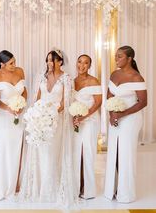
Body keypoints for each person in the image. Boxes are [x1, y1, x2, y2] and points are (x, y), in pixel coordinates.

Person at [18, 50, 74, 205]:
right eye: (48, 60)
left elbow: (66, 101)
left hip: (56, 120)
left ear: (60, 62)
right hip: (40, 119)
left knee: (52, 153)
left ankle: (52, 188)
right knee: (41, 152)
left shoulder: (66, 78)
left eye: (53, 60)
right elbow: (37, 98)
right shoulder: (42, 77)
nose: (49, 63)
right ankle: (39, 187)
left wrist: (52, 114)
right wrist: (37, 115)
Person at [104, 46, 147, 203]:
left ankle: (126, 193)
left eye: (120, 56)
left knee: (126, 153)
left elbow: (143, 102)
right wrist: (111, 114)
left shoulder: (137, 77)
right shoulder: (114, 74)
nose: (116, 59)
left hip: (131, 119)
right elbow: (109, 95)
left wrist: (121, 114)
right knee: (114, 152)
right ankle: (113, 189)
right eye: (116, 56)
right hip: (114, 117)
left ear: (129, 59)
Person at [0, 50, 27, 201]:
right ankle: (3, 186)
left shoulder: (20, 71)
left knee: (17, 148)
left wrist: (21, 105)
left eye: (15, 61)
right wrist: (9, 109)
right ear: (2, 64)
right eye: (11, 63)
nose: (14, 65)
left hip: (19, 114)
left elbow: (24, 92)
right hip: (3, 117)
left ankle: (15, 184)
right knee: (5, 149)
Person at [72, 54, 102, 199]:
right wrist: (74, 116)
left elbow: (98, 103)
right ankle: (77, 185)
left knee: (87, 152)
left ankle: (88, 189)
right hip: (76, 122)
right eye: (79, 62)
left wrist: (83, 116)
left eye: (85, 63)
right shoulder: (72, 81)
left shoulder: (93, 81)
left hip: (90, 121)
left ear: (89, 66)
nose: (81, 65)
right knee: (76, 153)